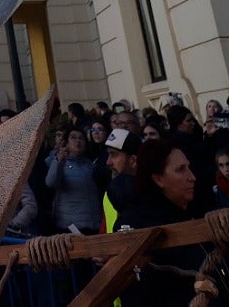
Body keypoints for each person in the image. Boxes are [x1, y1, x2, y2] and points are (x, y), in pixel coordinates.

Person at [116, 141, 216, 307]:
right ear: (158, 179)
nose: (192, 177)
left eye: (188, 168)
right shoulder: (137, 223)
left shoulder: (191, 212)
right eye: (181, 170)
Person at [44, 127, 103, 233]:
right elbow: (51, 183)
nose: (77, 141)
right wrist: (59, 160)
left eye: (81, 138)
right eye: (73, 138)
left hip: (94, 224)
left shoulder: (91, 165)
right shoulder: (57, 162)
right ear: (66, 143)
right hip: (70, 226)